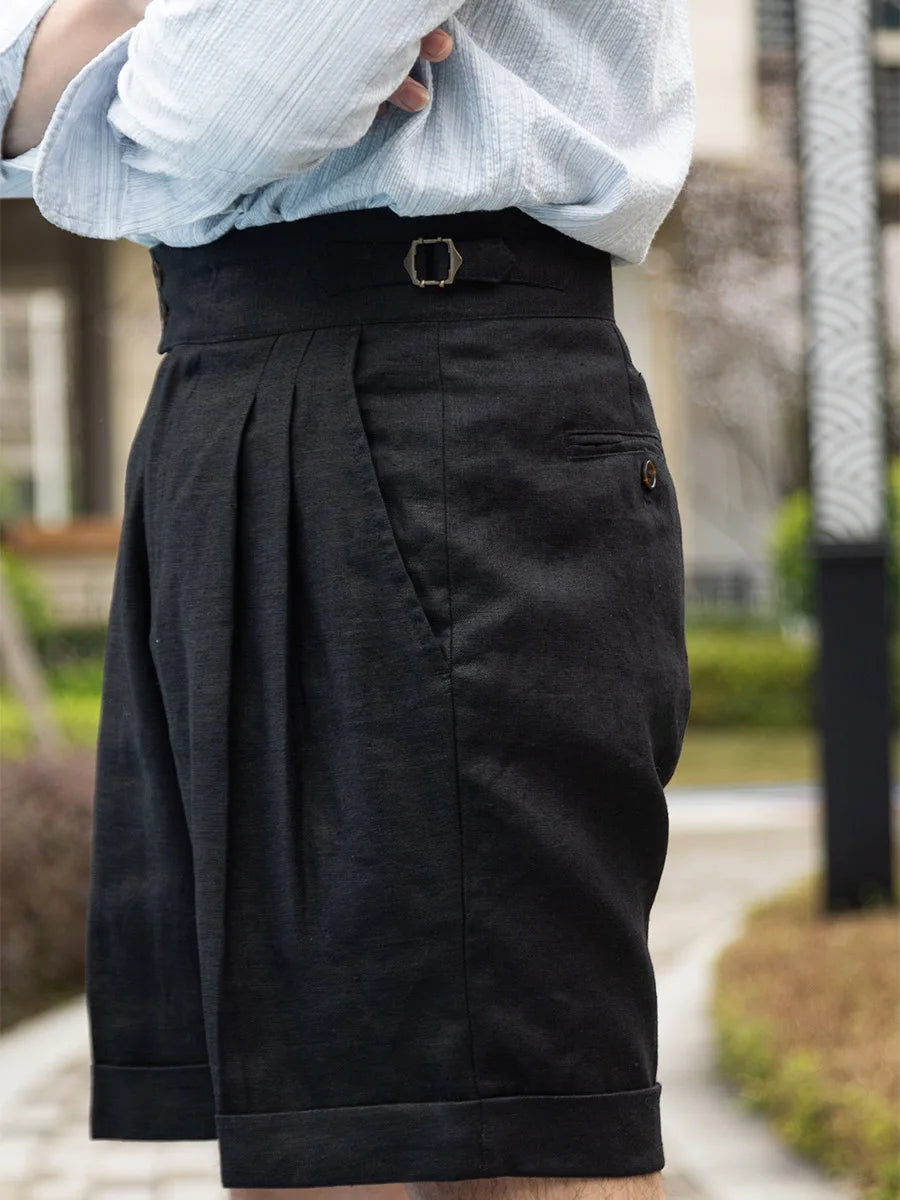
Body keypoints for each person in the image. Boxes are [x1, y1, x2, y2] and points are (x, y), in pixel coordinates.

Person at [0, 3, 696, 1199]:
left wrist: (117, 62)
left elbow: (245, 106)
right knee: (303, 1137)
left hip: (441, 379)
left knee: (519, 1136)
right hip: (226, 395)